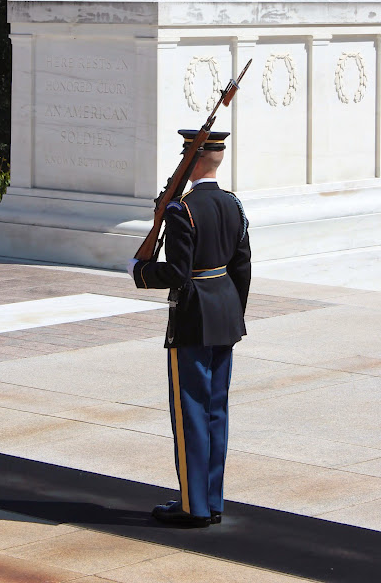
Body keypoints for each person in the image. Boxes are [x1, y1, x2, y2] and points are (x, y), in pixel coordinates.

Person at [127, 129, 251, 528]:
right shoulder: (233, 204)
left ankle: (191, 506)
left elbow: (179, 273)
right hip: (226, 317)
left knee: (191, 411)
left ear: (192, 161)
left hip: (194, 317)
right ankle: (211, 500)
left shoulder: (183, 209)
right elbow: (242, 267)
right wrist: (233, 312)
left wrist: (141, 272)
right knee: (216, 410)